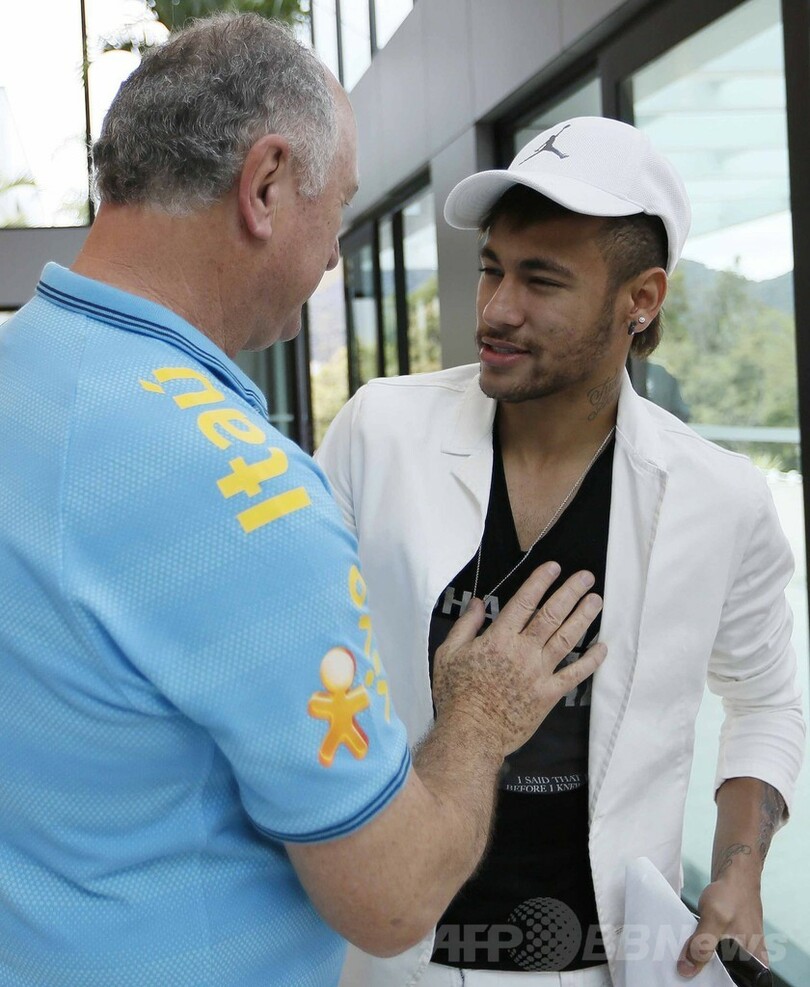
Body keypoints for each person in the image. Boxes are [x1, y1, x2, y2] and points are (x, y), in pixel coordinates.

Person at [0, 21, 607, 987]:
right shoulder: (246, 498)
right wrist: (482, 715)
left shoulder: (25, 374)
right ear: (268, 184)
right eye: (342, 205)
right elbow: (391, 897)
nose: (335, 254)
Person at [315, 116, 806, 987]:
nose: (497, 308)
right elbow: (301, 654)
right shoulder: (379, 432)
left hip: (610, 963)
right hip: (392, 953)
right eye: (492, 269)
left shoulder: (718, 498)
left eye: (541, 280)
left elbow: (765, 698)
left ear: (640, 299)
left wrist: (739, 870)